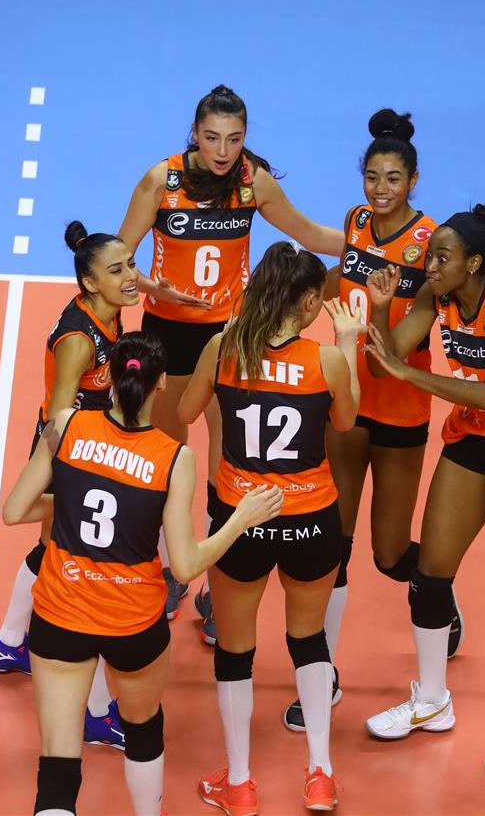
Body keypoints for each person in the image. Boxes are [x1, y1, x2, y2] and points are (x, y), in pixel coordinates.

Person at [2, 331, 284, 816]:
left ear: (109, 379)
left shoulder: (65, 425)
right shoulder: (174, 459)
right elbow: (187, 565)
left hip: (60, 615)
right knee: (142, 730)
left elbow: (15, 511)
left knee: (58, 765)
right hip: (133, 623)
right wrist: (241, 519)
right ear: (161, 385)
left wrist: (70, 501)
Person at [117, 85, 345, 638]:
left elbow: (310, 234)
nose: (223, 151)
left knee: (229, 462)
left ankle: (219, 586)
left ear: (245, 138)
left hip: (228, 339)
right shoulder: (161, 181)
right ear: (194, 134)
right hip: (167, 334)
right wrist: (155, 288)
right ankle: (170, 569)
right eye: (213, 138)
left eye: (234, 139)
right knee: (168, 457)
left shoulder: (252, 181)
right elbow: (118, 260)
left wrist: (372, 245)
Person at [361, 194, 485, 774]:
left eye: (442, 257)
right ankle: (431, 700)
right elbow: (381, 362)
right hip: (470, 440)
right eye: (430, 255)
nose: (430, 265)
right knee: (428, 577)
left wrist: (410, 374)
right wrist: (380, 311)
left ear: (474, 263)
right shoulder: (435, 294)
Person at [281, 108, 462, 734]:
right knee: (333, 542)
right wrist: (292, 310)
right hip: (346, 399)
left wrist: (381, 312)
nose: (381, 190)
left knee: (389, 555)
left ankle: (438, 591)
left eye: (393, 179)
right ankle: (323, 678)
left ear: (414, 180)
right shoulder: (358, 222)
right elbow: (342, 278)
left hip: (400, 408)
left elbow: (395, 355)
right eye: (372, 177)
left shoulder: (432, 246)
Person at [179, 243, 364, 813]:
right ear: (309, 303)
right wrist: (348, 343)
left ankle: (239, 783)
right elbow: (346, 420)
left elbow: (185, 412)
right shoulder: (326, 360)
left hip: (241, 518)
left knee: (235, 649)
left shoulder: (223, 347)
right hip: (311, 520)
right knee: (309, 641)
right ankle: (320, 774)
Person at [0, 222, 138, 749]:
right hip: (67, 450)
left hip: (83, 446)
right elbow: (60, 415)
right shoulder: (78, 340)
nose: (130, 276)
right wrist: (72, 473)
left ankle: (9, 643)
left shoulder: (107, 308)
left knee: (51, 551)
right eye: (118, 270)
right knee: (79, 572)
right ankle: (94, 713)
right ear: (90, 283)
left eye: (130, 264)